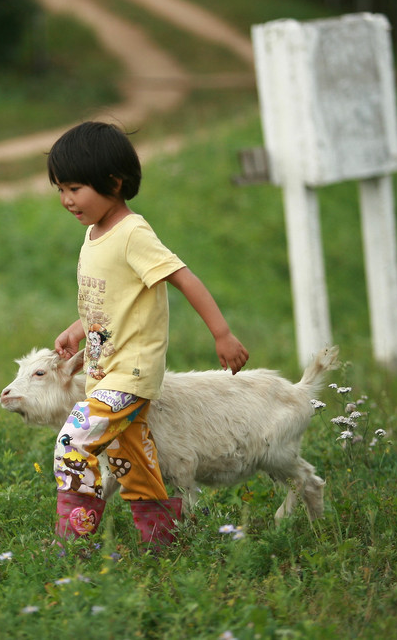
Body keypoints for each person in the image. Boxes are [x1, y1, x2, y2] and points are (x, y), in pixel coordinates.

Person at [47, 121, 249, 544]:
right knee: (131, 462)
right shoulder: (95, 232)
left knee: (72, 442)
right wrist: (77, 331)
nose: (66, 200)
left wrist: (222, 333)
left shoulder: (132, 233)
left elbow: (184, 277)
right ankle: (163, 541)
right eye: (60, 189)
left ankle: (74, 540)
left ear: (114, 182)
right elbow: (111, 304)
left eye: (75, 188)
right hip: (106, 374)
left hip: (129, 376)